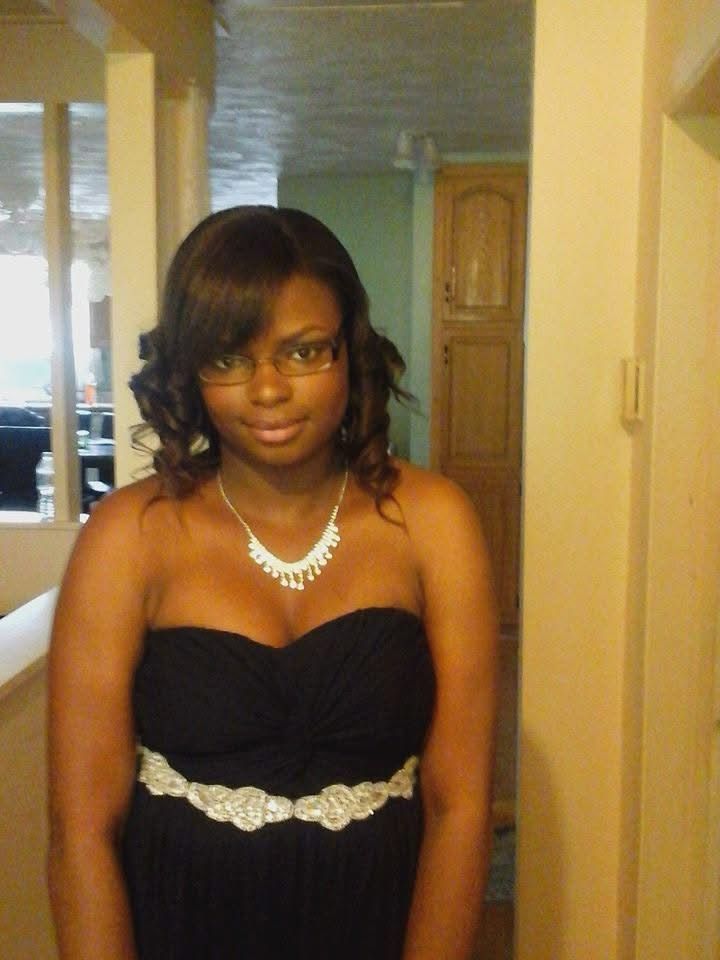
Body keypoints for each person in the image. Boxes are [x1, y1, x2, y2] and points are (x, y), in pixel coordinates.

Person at [47, 206, 498, 960]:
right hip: (182, 926)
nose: (267, 390)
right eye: (229, 359)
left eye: (303, 351)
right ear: (190, 370)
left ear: (350, 350)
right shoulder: (129, 537)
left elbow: (462, 806)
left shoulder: (433, 522)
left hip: (376, 920)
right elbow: (82, 831)